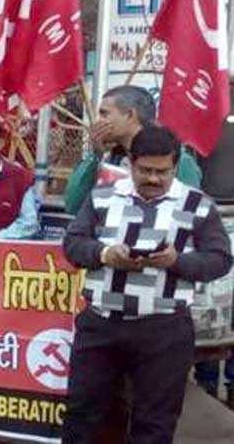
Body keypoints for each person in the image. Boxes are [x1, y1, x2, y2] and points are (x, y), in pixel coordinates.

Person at [61, 125, 233, 443]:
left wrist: (176, 261)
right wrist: (105, 254)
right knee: (83, 414)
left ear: (175, 165)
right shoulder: (101, 197)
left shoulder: (198, 204)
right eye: (145, 170)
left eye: (162, 172)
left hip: (164, 328)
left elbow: (220, 260)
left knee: (155, 422)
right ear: (130, 161)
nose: (153, 179)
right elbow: (72, 245)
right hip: (101, 323)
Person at [64, 85, 201, 215]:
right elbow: (73, 206)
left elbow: (189, 213)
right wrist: (95, 156)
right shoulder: (110, 159)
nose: (98, 121)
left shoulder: (175, 159)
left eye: (104, 114)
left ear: (129, 115)